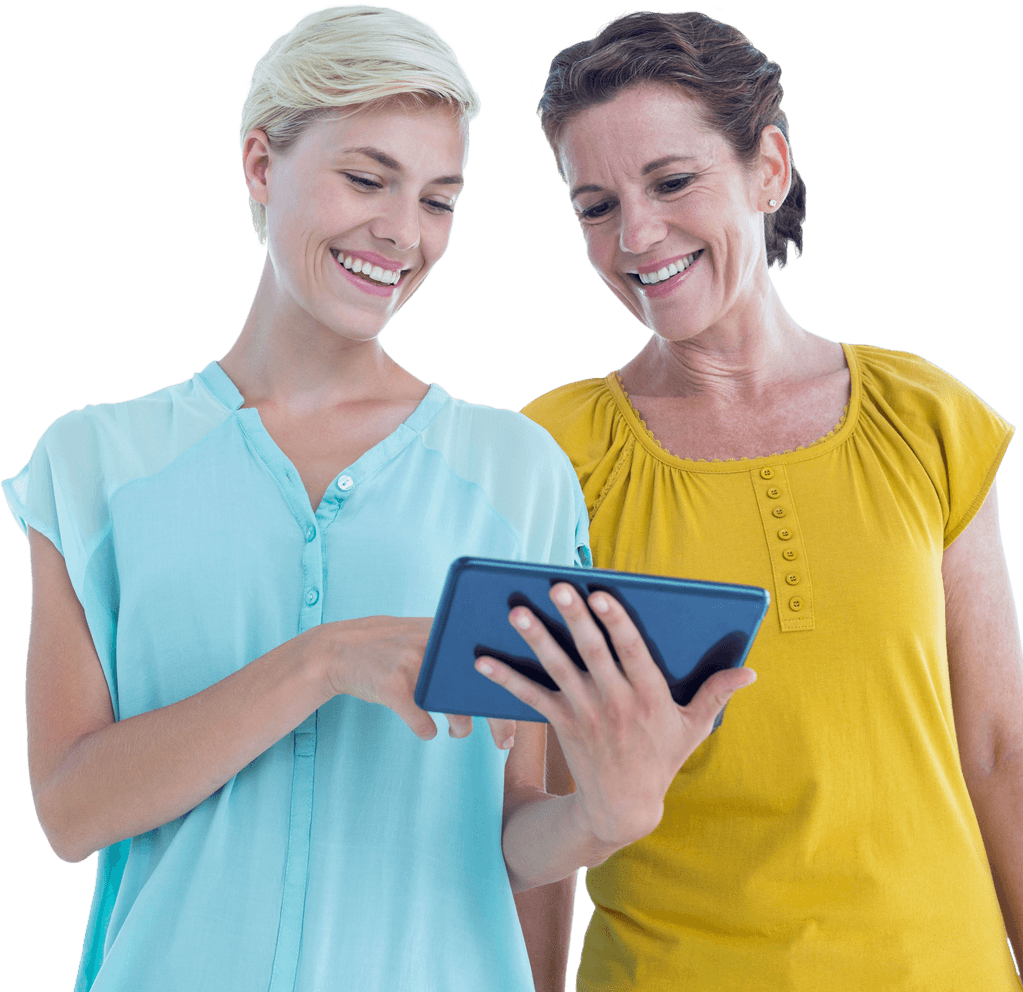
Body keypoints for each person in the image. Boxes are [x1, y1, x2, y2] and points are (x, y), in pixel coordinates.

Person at [472, 10, 1023, 991]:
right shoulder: (548, 452)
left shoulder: (925, 416)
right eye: (596, 204)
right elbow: (523, 797)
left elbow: (1004, 745)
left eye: (672, 181)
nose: (637, 234)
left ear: (770, 168)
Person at [1, 6, 592, 990]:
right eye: (366, 178)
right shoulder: (97, 465)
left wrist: (611, 807)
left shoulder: (514, 472)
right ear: (261, 165)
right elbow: (69, 808)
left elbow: (516, 825)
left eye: (439, 198)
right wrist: (322, 661)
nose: (402, 232)